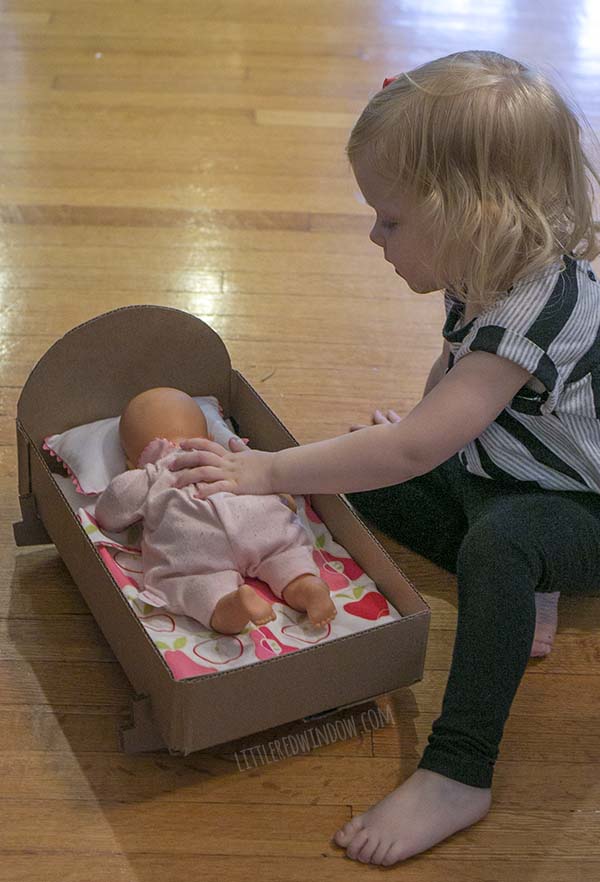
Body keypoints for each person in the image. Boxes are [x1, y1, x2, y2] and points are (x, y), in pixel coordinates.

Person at [166, 51, 600, 866]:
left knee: (485, 536)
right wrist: (428, 422)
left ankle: (460, 770)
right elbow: (452, 381)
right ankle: (524, 585)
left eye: (390, 220)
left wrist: (265, 471)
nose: (374, 235)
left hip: (583, 508)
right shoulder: (489, 264)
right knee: (368, 483)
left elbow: (417, 443)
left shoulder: (539, 309)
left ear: (476, 214)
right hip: (513, 471)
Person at [95, 387, 336, 634]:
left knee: (194, 584)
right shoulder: (230, 458)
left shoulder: (150, 475)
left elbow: (108, 515)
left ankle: (232, 605)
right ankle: (307, 586)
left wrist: (130, 478)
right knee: (285, 552)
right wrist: (284, 501)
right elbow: (267, 480)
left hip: (199, 549)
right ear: (210, 436)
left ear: (131, 462)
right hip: (258, 524)